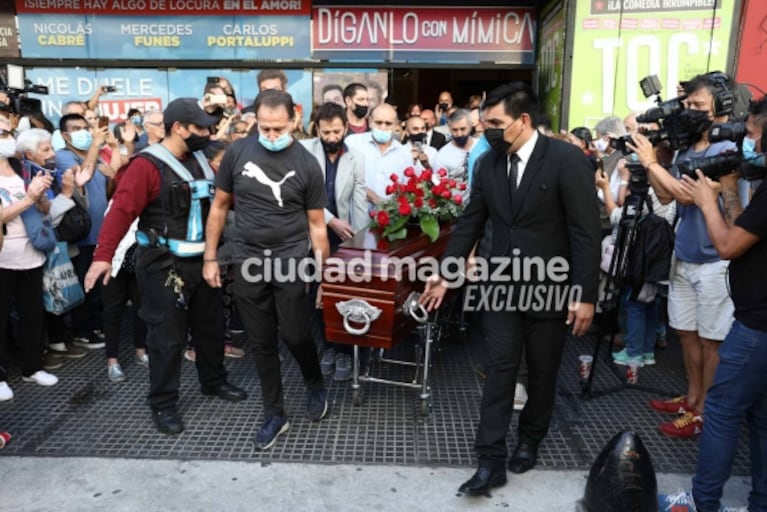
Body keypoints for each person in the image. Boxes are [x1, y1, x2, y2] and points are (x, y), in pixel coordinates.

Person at [419, 82, 600, 496]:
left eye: (496, 124)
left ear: (522, 121)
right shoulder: (487, 165)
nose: (489, 132)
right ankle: (490, 460)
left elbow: (585, 232)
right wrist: (447, 271)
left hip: (549, 288)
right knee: (499, 369)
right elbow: (471, 222)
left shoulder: (567, 160)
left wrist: (585, 294)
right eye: (485, 124)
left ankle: (531, 438)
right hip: (499, 284)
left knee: (541, 370)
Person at [84, 98, 247, 435]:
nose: (207, 132)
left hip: (204, 263)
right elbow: (121, 212)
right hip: (163, 265)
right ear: (178, 128)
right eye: (200, 127)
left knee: (211, 328)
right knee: (167, 337)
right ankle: (163, 403)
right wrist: (103, 257)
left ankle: (213, 382)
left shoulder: (202, 160)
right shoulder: (146, 166)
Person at [203, 90, 330, 451]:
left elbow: (317, 226)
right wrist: (211, 257)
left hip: (289, 259)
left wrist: (325, 277)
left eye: (278, 128)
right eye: (265, 128)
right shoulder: (239, 152)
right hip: (247, 259)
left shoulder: (307, 163)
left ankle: (314, 382)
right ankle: (275, 412)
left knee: (294, 334)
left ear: (293, 120)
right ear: (255, 120)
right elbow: (219, 207)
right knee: (261, 341)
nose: (272, 135)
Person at [657, 94, 767, 512]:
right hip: (756, 318)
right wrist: (729, 193)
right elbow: (744, 232)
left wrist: (707, 203)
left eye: (754, 135)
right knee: (759, 417)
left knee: (720, 409)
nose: (748, 144)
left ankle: (702, 502)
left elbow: (726, 244)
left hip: (757, 326)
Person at [629, 73, 738, 438]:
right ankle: (691, 399)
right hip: (684, 254)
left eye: (697, 106)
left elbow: (689, 195)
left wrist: (650, 163)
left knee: (711, 342)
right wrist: (657, 160)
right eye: (687, 105)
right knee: (686, 335)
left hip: (714, 262)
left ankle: (705, 411)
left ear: (721, 106)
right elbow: (665, 196)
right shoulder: (687, 148)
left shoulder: (725, 149)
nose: (689, 112)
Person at [300, 102, 368, 381]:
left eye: (336, 131)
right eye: (325, 132)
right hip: (313, 231)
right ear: (317, 128)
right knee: (319, 291)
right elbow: (302, 195)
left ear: (346, 128)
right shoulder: (304, 152)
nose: (331, 137)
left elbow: (360, 199)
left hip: (346, 234)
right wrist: (330, 221)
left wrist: (361, 242)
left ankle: (343, 349)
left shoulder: (357, 156)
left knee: (344, 291)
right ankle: (327, 346)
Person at [0, 116, 60, 399]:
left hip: (31, 254)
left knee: (32, 315)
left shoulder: (22, 169)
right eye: (2, 132)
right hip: (3, 258)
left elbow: (44, 209)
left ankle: (33, 367)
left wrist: (41, 196)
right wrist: (26, 200)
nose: (8, 136)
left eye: (10, 130)